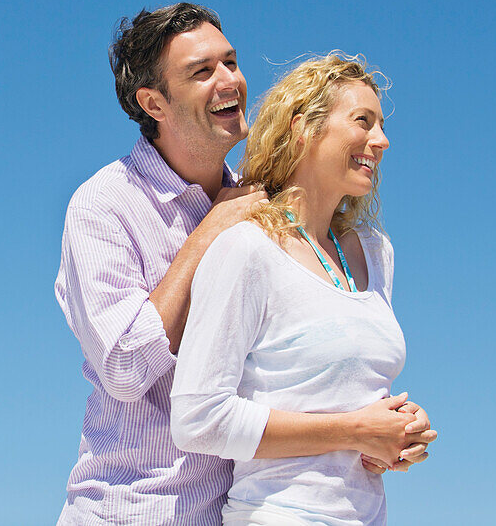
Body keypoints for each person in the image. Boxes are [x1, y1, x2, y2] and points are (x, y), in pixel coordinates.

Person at [54, 9, 429, 525]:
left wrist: (381, 433)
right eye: (202, 71)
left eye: (231, 62)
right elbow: (123, 368)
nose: (231, 80)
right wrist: (210, 229)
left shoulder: (265, 209)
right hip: (134, 510)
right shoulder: (105, 205)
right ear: (153, 102)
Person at [170, 53, 437, 525]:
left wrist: (396, 434)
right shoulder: (248, 249)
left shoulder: (375, 253)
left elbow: (350, 398)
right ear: (303, 128)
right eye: (363, 121)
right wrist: (355, 430)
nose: (382, 140)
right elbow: (198, 421)